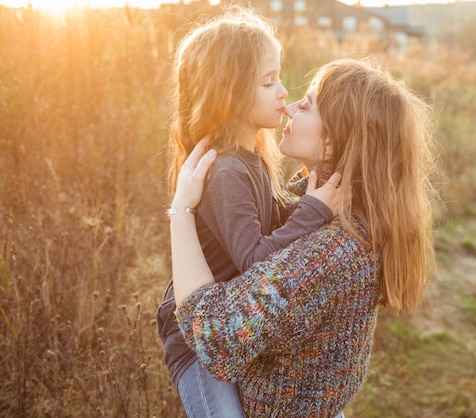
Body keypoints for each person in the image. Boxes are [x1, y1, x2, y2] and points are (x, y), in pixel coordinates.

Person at [169, 58, 440, 417]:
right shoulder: (347, 219)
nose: (290, 106)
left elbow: (216, 338)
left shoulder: (332, 251)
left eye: (307, 105)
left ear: (331, 142)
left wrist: (181, 211)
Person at [156, 8, 341, 417]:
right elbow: (256, 259)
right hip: (196, 338)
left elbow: (272, 228)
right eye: (267, 82)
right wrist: (313, 211)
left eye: (279, 76)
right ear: (229, 91)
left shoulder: (253, 156)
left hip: (233, 323)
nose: (283, 93)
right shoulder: (225, 171)